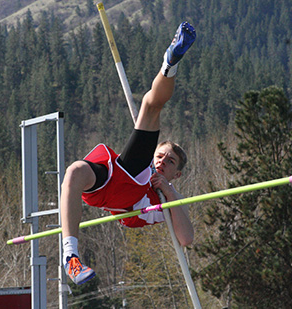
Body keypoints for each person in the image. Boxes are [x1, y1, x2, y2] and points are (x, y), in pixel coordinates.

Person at [61, 21, 196, 285]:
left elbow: (186, 238)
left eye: (169, 162)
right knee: (76, 170)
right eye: (160, 155)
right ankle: (170, 63)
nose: (162, 162)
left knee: (150, 109)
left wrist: (168, 190)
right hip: (120, 175)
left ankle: (170, 63)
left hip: (129, 194)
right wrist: (151, 167)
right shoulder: (145, 166)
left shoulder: (163, 200)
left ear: (176, 173)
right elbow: (145, 158)